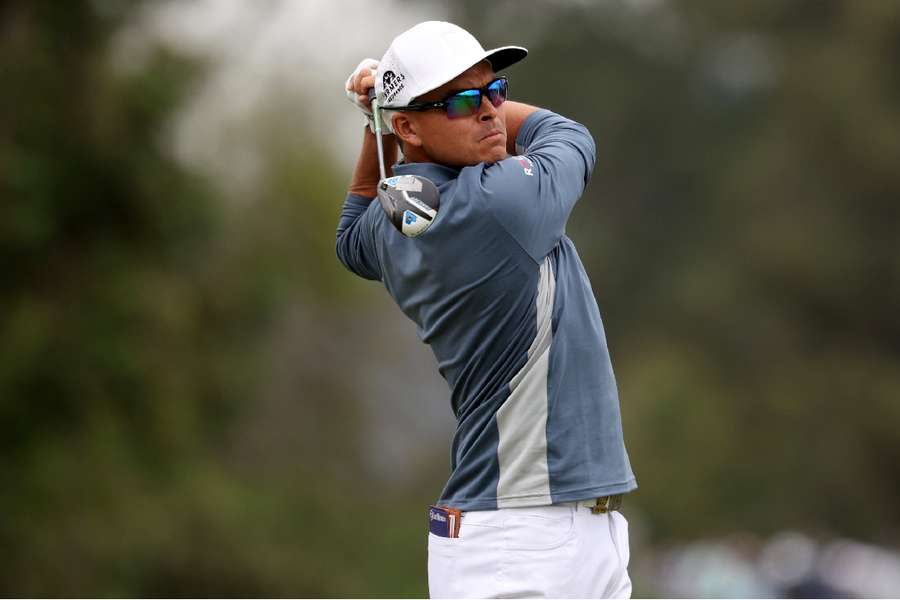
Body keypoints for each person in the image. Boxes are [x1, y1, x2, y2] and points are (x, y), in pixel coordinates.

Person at [337, 21, 637, 599]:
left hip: (554, 528)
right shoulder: (500, 202)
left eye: (495, 92)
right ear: (410, 127)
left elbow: (350, 238)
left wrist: (383, 122)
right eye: (462, 101)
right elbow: (567, 133)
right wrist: (385, 116)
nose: (490, 112)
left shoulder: (393, 217)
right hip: (517, 537)